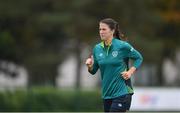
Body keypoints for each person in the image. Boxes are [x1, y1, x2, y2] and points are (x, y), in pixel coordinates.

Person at [85, 18, 143, 112]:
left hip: (123, 92)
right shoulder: (97, 48)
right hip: (107, 94)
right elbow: (93, 71)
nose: (101, 32)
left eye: (104, 29)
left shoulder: (122, 46)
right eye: (100, 29)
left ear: (112, 31)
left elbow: (139, 58)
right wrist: (89, 65)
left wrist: (130, 72)